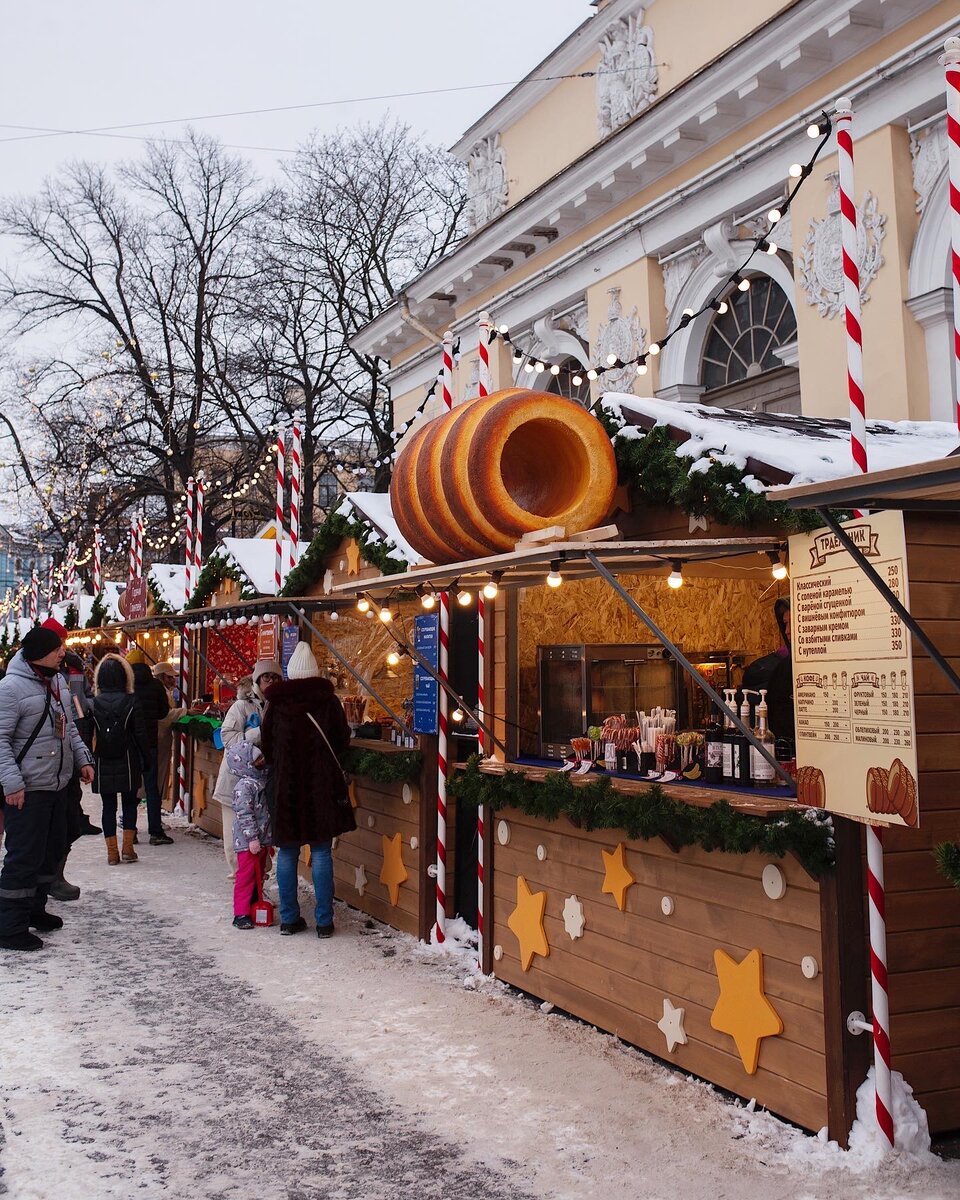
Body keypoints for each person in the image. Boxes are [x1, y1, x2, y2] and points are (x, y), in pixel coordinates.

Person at [0, 625, 94, 952]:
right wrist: (11, 783)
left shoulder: (57, 683)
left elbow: (69, 731)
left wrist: (84, 760)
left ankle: (35, 911)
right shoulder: (10, 688)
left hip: (56, 784)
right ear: (41, 652)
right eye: (57, 649)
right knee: (23, 857)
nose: (62, 653)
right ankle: (10, 926)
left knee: (48, 852)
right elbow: (0, 741)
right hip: (26, 789)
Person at [260, 642, 354, 938]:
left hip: (286, 789)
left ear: (290, 674)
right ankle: (324, 922)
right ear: (314, 672)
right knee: (322, 851)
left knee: (287, 853)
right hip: (319, 787)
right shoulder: (328, 702)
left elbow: (267, 745)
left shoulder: (275, 704)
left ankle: (289, 918)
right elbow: (341, 739)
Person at [212, 660, 281, 879]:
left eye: (275, 678)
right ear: (257, 680)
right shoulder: (241, 706)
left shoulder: (278, 705)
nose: (270, 682)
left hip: (262, 784)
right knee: (236, 842)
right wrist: (257, 735)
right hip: (235, 783)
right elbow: (228, 738)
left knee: (260, 838)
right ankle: (243, 890)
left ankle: (258, 888)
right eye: (266, 677)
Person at [91, 654, 148, 865]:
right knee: (129, 803)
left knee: (108, 806)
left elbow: (88, 735)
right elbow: (140, 734)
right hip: (128, 758)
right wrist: (146, 759)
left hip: (102, 760)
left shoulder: (93, 703)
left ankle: (112, 853)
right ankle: (128, 849)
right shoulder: (132, 701)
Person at [227, 740, 272, 930]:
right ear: (246, 764)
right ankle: (241, 913)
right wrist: (252, 838)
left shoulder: (260, 780)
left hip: (260, 839)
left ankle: (254, 904)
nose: (262, 761)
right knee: (246, 876)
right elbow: (244, 815)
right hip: (247, 842)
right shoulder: (244, 787)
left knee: (258, 874)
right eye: (257, 759)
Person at [131, 661, 173, 845]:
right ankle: (155, 832)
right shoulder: (156, 685)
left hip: (130, 743)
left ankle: (129, 831)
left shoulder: (127, 685)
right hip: (150, 743)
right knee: (151, 788)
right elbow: (163, 712)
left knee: (131, 787)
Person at [152, 661, 184, 805]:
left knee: (158, 778)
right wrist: (184, 712)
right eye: (170, 677)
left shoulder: (164, 691)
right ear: (162, 677)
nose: (173, 680)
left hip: (161, 739)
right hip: (158, 739)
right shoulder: (160, 693)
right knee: (156, 778)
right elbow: (164, 716)